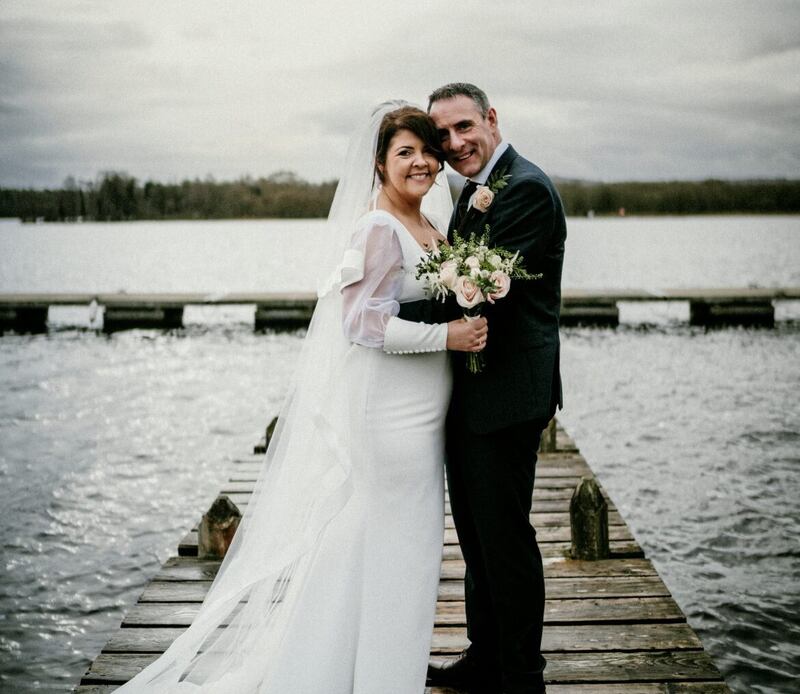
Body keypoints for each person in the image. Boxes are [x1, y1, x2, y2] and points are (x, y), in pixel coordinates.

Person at [113, 102, 487, 693]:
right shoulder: (376, 228)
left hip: (421, 416)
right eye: (404, 153)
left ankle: (354, 671)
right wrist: (450, 335)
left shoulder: (427, 225)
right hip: (389, 420)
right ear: (379, 163)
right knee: (399, 553)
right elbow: (362, 323)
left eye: (427, 152)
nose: (420, 162)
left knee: (385, 549)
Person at [399, 83, 566, 694]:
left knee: (505, 539)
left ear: (492, 119)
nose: (454, 144)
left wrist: (383, 317)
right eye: (443, 135)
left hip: (508, 395)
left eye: (465, 127)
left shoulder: (524, 189)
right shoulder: (473, 191)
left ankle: (522, 675)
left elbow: (479, 287)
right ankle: (485, 655)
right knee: (477, 536)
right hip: (476, 393)